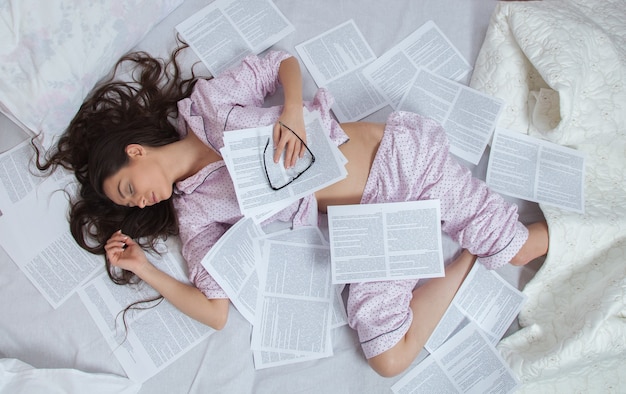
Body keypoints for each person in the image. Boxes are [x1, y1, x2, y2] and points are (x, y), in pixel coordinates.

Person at [38, 45, 549, 378]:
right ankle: (466, 255)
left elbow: (281, 61)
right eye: (130, 204)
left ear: (136, 151)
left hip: (399, 163)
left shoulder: (211, 106)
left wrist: (292, 113)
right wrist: (144, 268)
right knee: (389, 358)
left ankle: (497, 241)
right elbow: (215, 311)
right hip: (370, 228)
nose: (140, 201)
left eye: (130, 188)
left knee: (519, 248)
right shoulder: (194, 211)